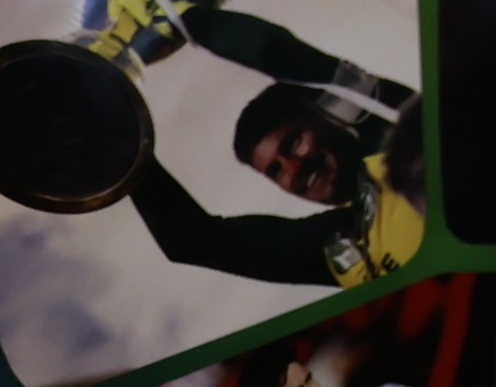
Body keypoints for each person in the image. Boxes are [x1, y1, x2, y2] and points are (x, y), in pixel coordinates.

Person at [127, 78, 425, 291]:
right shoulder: (337, 241)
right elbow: (193, 241)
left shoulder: (413, 148)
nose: (295, 169)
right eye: (276, 170)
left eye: (293, 143)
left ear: (328, 118)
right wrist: (124, 142)